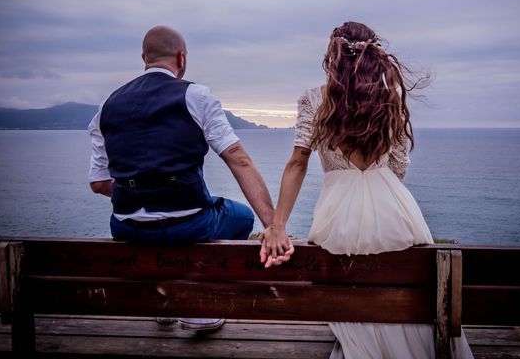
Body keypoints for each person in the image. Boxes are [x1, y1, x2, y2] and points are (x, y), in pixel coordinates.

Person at [259, 22, 474, 358]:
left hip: (337, 212)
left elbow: (298, 162)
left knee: (349, 289)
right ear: (374, 54)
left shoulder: (315, 99)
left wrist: (278, 225)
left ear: (333, 54)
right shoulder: (392, 99)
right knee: (401, 284)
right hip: (393, 205)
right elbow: (399, 167)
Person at [88, 25, 281, 332]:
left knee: (160, 229)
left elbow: (99, 184)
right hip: (188, 225)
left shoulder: (106, 107)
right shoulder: (196, 95)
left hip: (126, 226)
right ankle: (199, 305)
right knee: (241, 217)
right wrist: (273, 225)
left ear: (144, 58)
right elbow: (239, 160)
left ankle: (165, 303)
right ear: (182, 58)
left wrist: (144, 194)